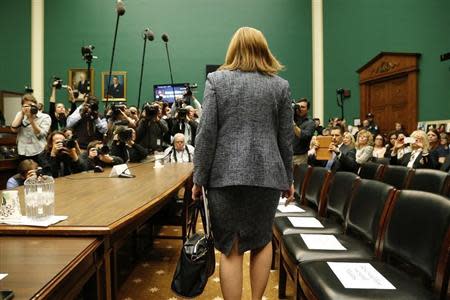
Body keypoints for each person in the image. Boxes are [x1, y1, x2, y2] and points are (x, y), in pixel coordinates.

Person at [191, 27, 294, 300]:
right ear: (264, 50)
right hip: (268, 176)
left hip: (224, 177)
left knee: (231, 249)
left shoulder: (216, 80)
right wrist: (289, 180)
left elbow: (206, 135)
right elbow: (286, 140)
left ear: (233, 49)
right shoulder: (280, 86)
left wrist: (198, 177)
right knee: (262, 242)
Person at [11, 94, 51, 161]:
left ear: (36, 105)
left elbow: (42, 135)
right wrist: (22, 113)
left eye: (31, 105)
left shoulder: (45, 117)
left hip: (39, 150)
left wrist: (31, 119)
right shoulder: (20, 114)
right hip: (22, 150)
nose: (28, 108)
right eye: (26, 105)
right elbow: (14, 129)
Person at [292, 98, 315, 164]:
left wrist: (293, 124)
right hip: (287, 155)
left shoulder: (310, 123)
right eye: (298, 106)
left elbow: (303, 136)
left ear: (307, 109)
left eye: (303, 107)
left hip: (300, 157)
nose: (299, 109)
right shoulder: (292, 119)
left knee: (299, 174)